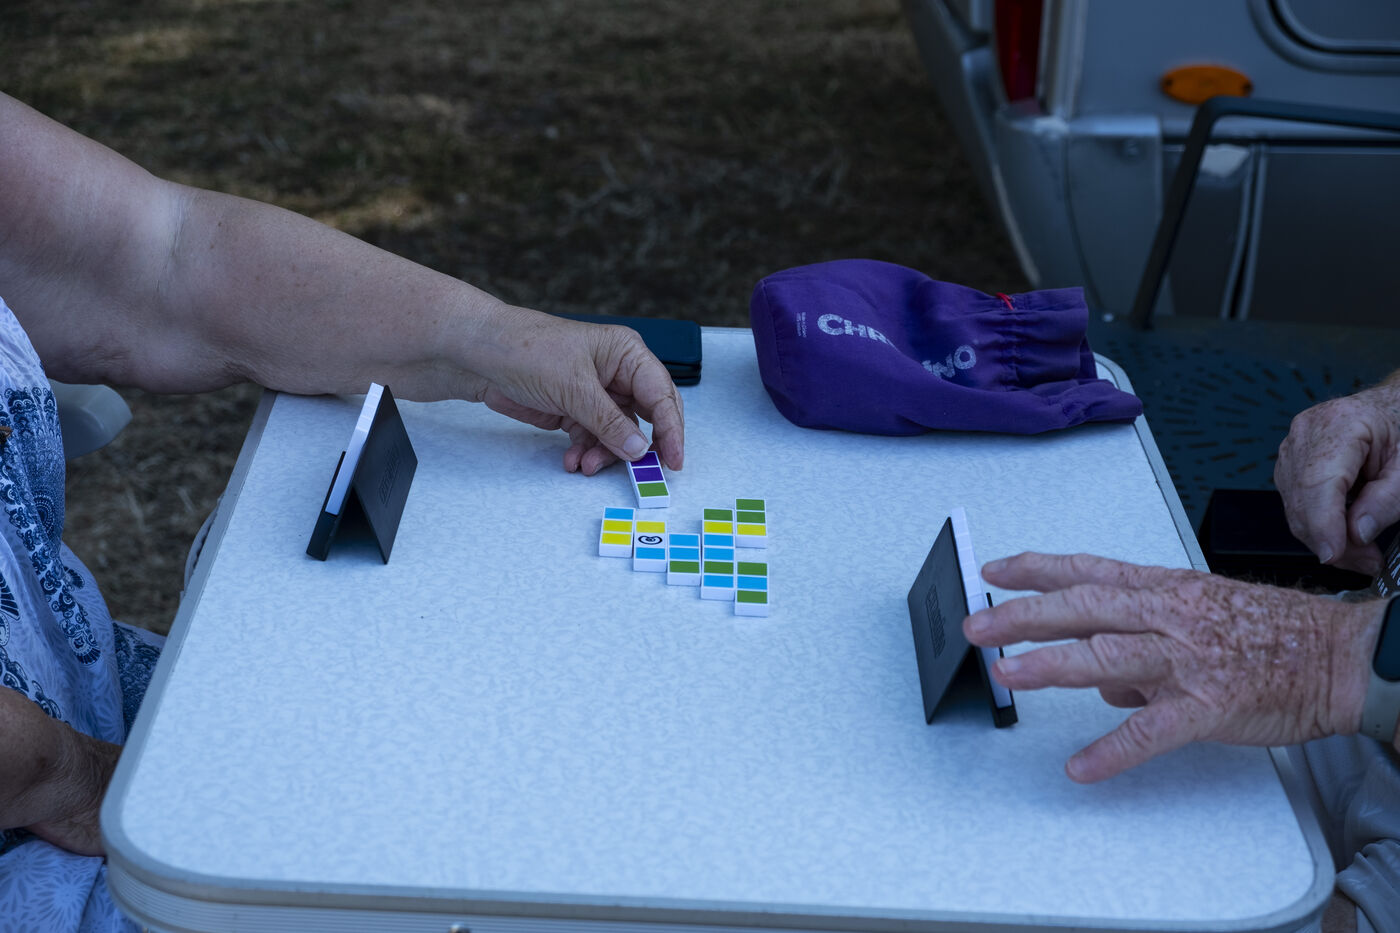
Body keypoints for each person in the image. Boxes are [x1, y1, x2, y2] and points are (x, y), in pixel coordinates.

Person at [0, 90, 684, 931]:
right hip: (69, 825)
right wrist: (84, 779)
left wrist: (490, 336)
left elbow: (164, 255)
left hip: (96, 717)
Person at [964, 373, 1400, 932]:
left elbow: (1332, 656)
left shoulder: (1333, 657)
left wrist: (1329, 657)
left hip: (1355, 663)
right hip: (1370, 640)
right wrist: (1391, 406)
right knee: (1046, 771)